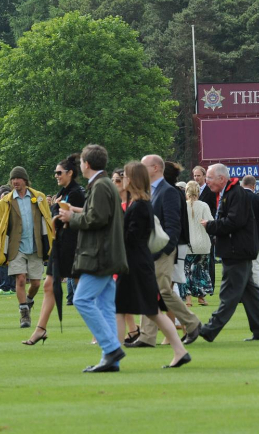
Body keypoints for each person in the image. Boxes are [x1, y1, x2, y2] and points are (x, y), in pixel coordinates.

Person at [57, 144, 128, 372]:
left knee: (81, 300)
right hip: (107, 254)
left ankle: (111, 348)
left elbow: (96, 219)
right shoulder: (104, 184)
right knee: (105, 306)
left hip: (99, 255)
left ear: (86, 164)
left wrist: (71, 217)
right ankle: (111, 360)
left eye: (80, 163)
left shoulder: (99, 186)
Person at [114, 161, 190, 368]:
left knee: (131, 308)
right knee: (149, 310)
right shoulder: (141, 203)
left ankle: (113, 355)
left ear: (134, 179)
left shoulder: (139, 205)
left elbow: (132, 237)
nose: (123, 180)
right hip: (139, 263)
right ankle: (179, 350)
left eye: (126, 176)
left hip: (134, 264)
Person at [188, 163, 259, 343]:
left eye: (209, 178)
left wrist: (211, 226)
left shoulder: (235, 194)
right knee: (250, 293)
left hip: (237, 250)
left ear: (221, 178)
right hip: (237, 249)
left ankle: (209, 329)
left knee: (229, 293)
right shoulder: (229, 192)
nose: (206, 181)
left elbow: (235, 221)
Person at [129, 155, 202, 348]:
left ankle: (192, 323)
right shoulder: (151, 191)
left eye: (143, 166)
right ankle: (147, 336)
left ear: (155, 168)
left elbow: (173, 226)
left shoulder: (167, 192)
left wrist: (165, 251)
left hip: (162, 251)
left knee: (162, 291)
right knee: (152, 292)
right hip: (152, 251)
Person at [24, 153, 86, 345]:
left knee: (84, 288)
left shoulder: (77, 192)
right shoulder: (62, 193)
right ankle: (40, 329)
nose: (56, 176)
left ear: (70, 173)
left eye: (59, 172)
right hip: (60, 244)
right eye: (55, 173)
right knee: (49, 285)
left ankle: (105, 328)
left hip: (73, 244)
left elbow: (83, 218)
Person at [0, 167, 54, 329]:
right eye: (13, 179)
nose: (15, 182)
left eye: (18, 179)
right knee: (20, 279)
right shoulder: (5, 201)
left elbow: (48, 223)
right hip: (16, 247)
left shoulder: (39, 197)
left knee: (35, 283)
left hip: (36, 246)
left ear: (25, 180)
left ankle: (28, 301)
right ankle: (24, 313)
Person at [183, 180, 213, 306]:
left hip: (187, 244)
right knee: (201, 270)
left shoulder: (183, 206)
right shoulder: (204, 205)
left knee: (186, 272)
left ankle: (188, 298)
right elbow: (210, 222)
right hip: (203, 243)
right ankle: (201, 297)